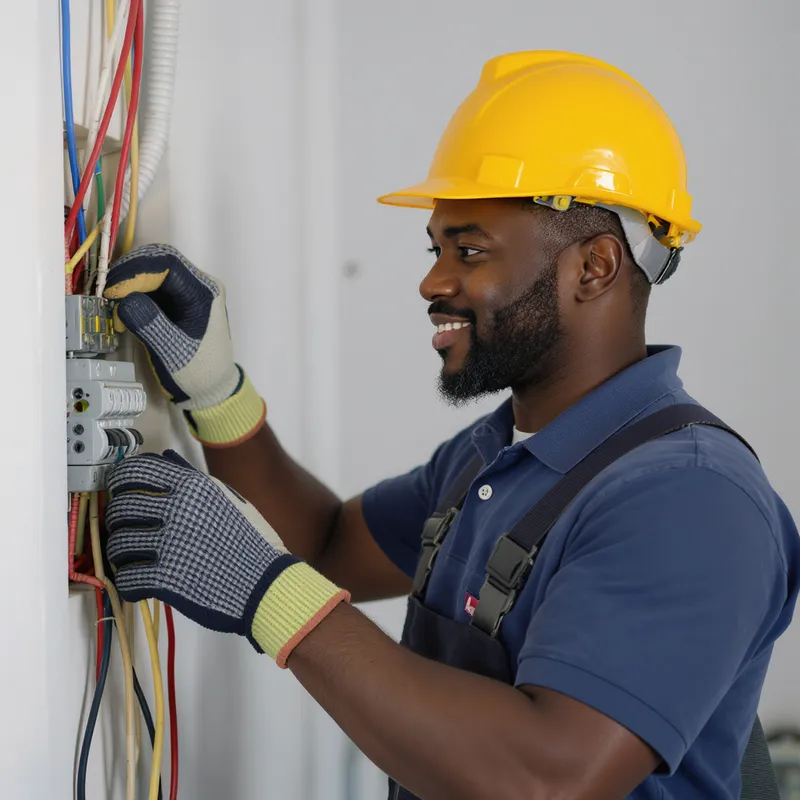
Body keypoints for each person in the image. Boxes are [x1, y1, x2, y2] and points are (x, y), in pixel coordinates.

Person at [103, 51, 800, 799]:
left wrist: (270, 598)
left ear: (594, 268)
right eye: (437, 248)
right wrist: (218, 396)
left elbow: (549, 778)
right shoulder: (491, 458)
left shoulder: (688, 499)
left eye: (469, 250)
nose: (432, 282)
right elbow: (327, 548)